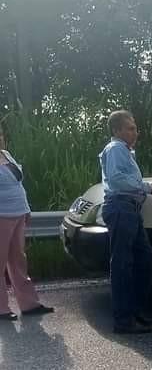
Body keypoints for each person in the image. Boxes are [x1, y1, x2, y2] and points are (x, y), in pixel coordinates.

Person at [99, 110, 152, 334]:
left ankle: (134, 312)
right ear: (117, 130)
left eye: (135, 128)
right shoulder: (116, 149)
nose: (135, 132)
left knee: (145, 260)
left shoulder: (125, 151)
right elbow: (118, 181)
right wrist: (149, 188)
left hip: (130, 209)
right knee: (122, 265)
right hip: (121, 208)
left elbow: (129, 181)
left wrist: (149, 189)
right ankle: (123, 320)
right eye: (130, 128)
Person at [0, 125, 54, 321]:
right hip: (1, 215)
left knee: (18, 260)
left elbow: (18, 184)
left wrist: (27, 209)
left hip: (18, 213)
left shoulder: (6, 154)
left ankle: (29, 304)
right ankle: (1, 308)